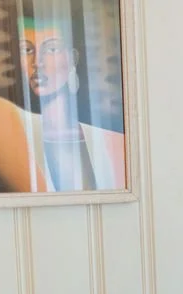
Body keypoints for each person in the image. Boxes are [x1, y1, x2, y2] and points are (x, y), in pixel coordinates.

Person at [13, 14, 124, 192]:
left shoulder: (111, 140)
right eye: (26, 50)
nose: (37, 63)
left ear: (73, 57)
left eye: (52, 49)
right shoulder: (10, 133)